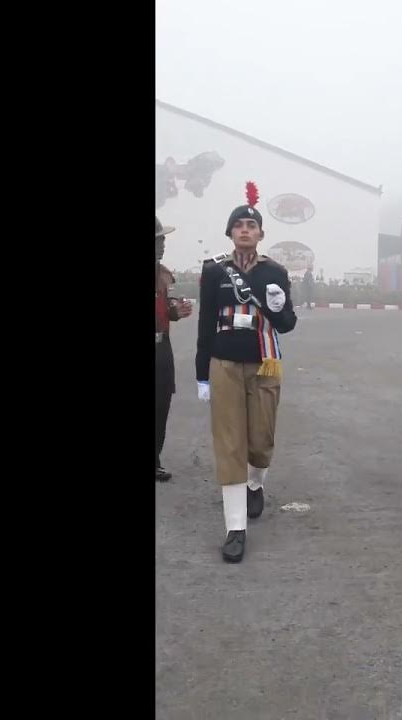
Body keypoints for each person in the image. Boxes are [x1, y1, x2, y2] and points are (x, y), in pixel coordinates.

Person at [195, 182, 298, 563]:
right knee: (230, 444)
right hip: (224, 362)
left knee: (260, 439)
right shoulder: (213, 271)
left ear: (260, 234)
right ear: (230, 232)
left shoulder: (275, 271)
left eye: (250, 225)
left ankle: (256, 482)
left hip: (264, 362)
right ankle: (235, 528)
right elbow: (206, 323)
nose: (244, 230)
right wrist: (202, 373)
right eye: (238, 225)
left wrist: (275, 305)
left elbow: (286, 324)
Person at [155, 242, 193, 482]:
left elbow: (163, 311)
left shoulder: (162, 275)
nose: (161, 247)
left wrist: (174, 312)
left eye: (162, 242)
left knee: (161, 403)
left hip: (161, 347)